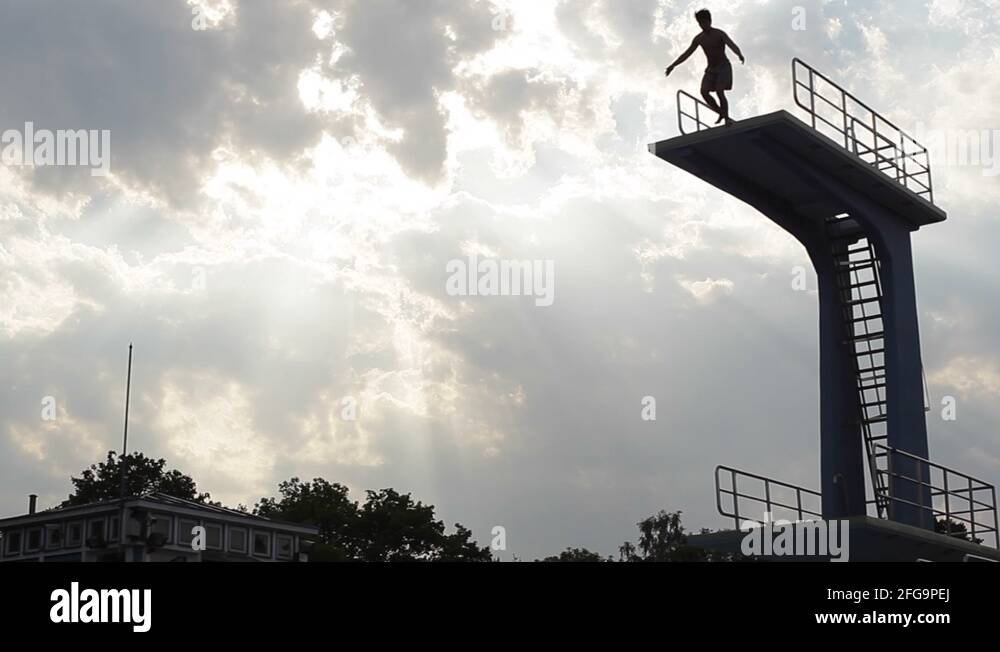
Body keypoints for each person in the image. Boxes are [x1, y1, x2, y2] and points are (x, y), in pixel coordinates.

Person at [664, 9, 745, 125]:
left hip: (723, 67)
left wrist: (739, 54)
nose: (702, 26)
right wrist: (673, 65)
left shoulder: (719, 33)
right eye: (700, 23)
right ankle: (721, 112)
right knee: (704, 91)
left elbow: (731, 44)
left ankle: (726, 118)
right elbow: (687, 54)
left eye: (704, 22)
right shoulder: (699, 38)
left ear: (709, 21)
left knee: (719, 91)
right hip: (711, 69)